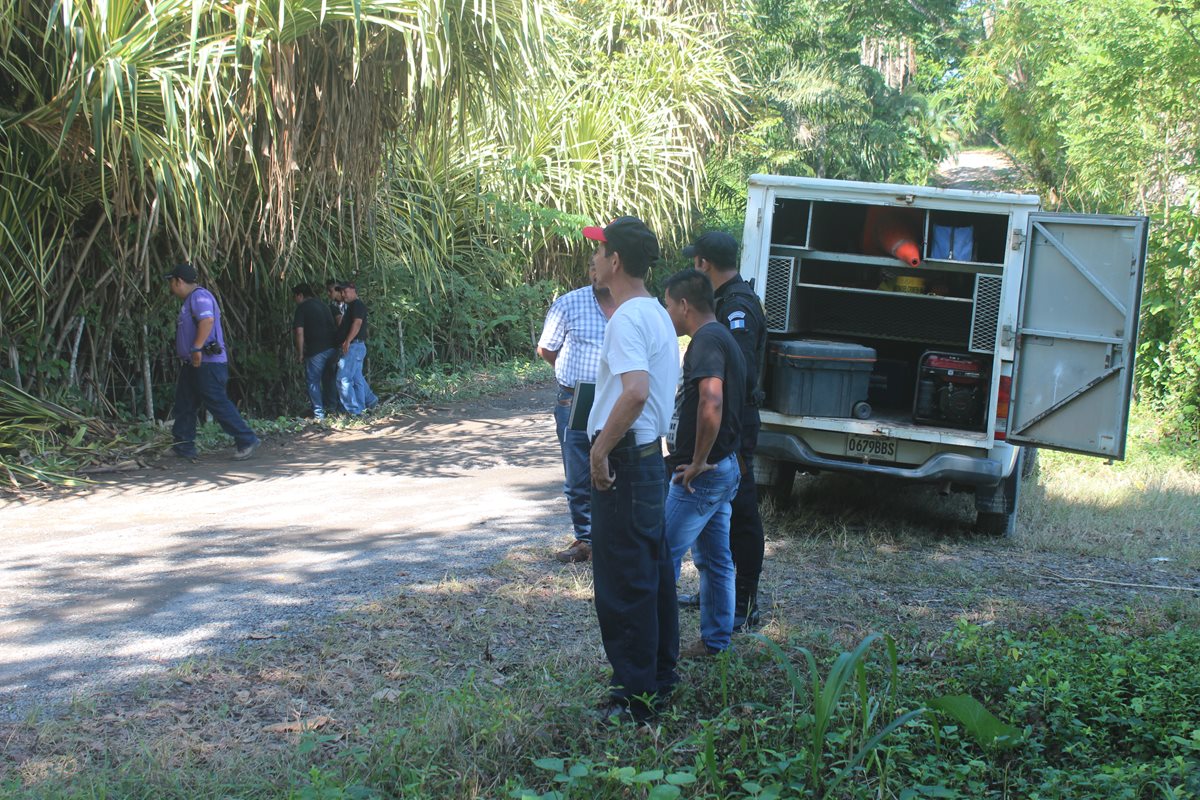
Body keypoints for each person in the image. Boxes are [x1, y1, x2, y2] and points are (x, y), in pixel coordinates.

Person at [584, 215, 681, 723]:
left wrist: (600, 451)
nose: (594, 260)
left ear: (615, 260)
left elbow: (636, 391)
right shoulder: (658, 313)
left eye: (599, 252)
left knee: (623, 579)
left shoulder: (625, 318)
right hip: (649, 459)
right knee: (652, 569)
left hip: (625, 458)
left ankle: (633, 698)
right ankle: (659, 677)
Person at [686, 232, 769, 629]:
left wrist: (729, 431)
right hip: (729, 419)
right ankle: (716, 593)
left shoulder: (737, 306)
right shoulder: (725, 300)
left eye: (694, 261)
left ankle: (746, 603)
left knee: (742, 510)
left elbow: (741, 371)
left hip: (736, 420)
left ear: (704, 264)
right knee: (719, 510)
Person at [662, 269, 746, 657]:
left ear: (683, 305)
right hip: (723, 467)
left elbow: (711, 401)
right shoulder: (722, 336)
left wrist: (696, 462)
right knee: (715, 561)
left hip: (703, 475)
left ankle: (657, 648)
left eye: (667, 305)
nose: (667, 313)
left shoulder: (707, 341)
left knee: (662, 557)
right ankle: (715, 643)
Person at [536, 255, 617, 563]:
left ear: (616, 267)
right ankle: (586, 539)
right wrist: (569, 373)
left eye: (600, 265)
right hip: (576, 400)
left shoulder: (631, 306)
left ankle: (611, 538)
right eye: (591, 266)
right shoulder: (569, 304)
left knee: (617, 467)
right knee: (578, 474)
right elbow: (546, 348)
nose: (595, 272)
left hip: (618, 400)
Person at [165, 262, 259, 461]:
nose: (171, 287)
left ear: (179, 281)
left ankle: (246, 439)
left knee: (216, 402)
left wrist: (197, 347)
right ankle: (183, 445)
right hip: (193, 364)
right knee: (185, 403)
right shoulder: (191, 299)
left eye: (171, 282)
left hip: (207, 362)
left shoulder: (199, 297)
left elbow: (207, 321)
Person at [292, 283, 339, 420]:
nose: (295, 300)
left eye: (295, 297)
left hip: (316, 350)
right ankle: (332, 409)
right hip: (332, 348)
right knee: (329, 378)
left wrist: (300, 353)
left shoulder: (302, 308)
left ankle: (319, 414)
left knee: (313, 380)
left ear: (300, 295)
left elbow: (299, 332)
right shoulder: (323, 305)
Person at [333, 282, 376, 415]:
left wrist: (347, 341)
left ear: (353, 290)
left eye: (345, 291)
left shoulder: (357, 305)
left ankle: (354, 411)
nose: (343, 295)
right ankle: (364, 407)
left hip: (354, 346)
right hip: (356, 345)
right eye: (342, 292)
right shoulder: (352, 306)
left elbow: (357, 323)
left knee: (343, 379)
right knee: (357, 380)